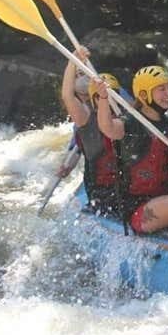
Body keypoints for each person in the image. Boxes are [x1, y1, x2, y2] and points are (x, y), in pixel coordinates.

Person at [94, 65, 168, 234]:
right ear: (143, 95)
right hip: (140, 208)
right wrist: (104, 98)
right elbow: (108, 128)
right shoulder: (130, 124)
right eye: (161, 89)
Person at [60, 46, 121, 215]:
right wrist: (73, 60)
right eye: (101, 98)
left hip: (131, 188)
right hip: (104, 194)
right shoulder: (85, 117)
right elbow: (67, 96)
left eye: (110, 96)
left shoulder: (124, 114)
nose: (106, 101)